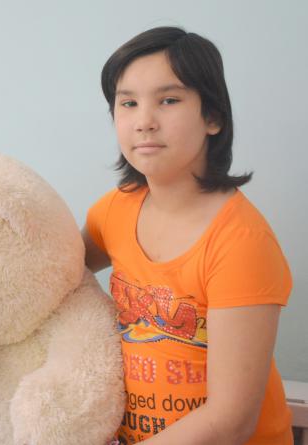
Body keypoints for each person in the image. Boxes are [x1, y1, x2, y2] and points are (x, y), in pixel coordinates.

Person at [83, 27, 293, 445]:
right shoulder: (113, 210)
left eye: (169, 100)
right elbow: (49, 276)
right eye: (128, 103)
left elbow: (230, 421)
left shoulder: (242, 242)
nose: (144, 122)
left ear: (213, 117)